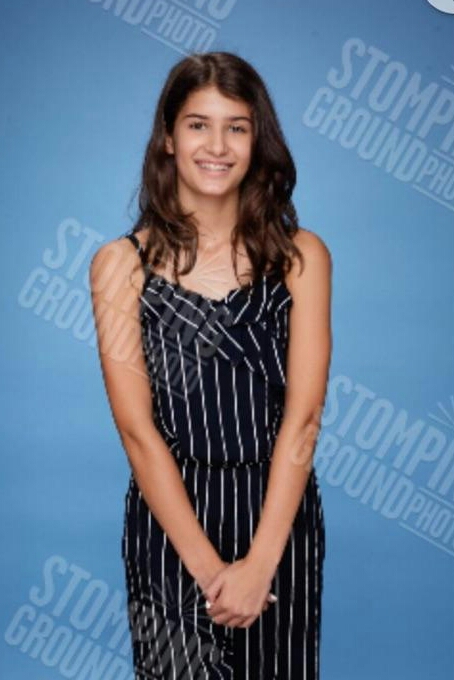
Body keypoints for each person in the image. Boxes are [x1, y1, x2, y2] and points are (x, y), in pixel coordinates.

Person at [90, 51, 332, 680]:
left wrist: (260, 564)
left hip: (277, 515)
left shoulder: (302, 258)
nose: (217, 146)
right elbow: (137, 433)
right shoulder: (120, 267)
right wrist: (211, 572)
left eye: (237, 127)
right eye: (198, 124)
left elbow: (304, 418)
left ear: (257, 140)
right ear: (169, 138)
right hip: (170, 520)